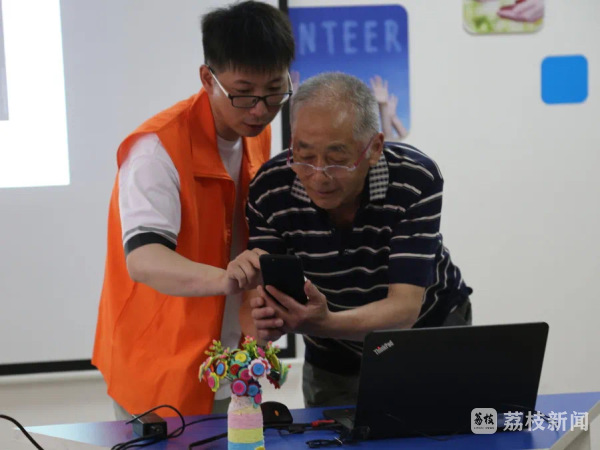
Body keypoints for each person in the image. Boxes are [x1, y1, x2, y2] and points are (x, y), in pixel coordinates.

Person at [92, 1, 295, 418]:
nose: (260, 109)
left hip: (230, 358)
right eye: (244, 93)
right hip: (159, 364)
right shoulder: (157, 150)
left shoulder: (254, 132)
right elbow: (144, 260)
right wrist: (228, 279)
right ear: (207, 78)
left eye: (274, 91)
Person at [244, 72, 472, 408]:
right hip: (332, 353)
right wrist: (271, 318)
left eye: (337, 159)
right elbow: (273, 293)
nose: (318, 175)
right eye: (303, 154)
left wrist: (325, 322)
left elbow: (404, 309)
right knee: (332, 433)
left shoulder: (414, 178)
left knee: (442, 427)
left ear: (375, 147)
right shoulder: (270, 189)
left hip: (427, 333)